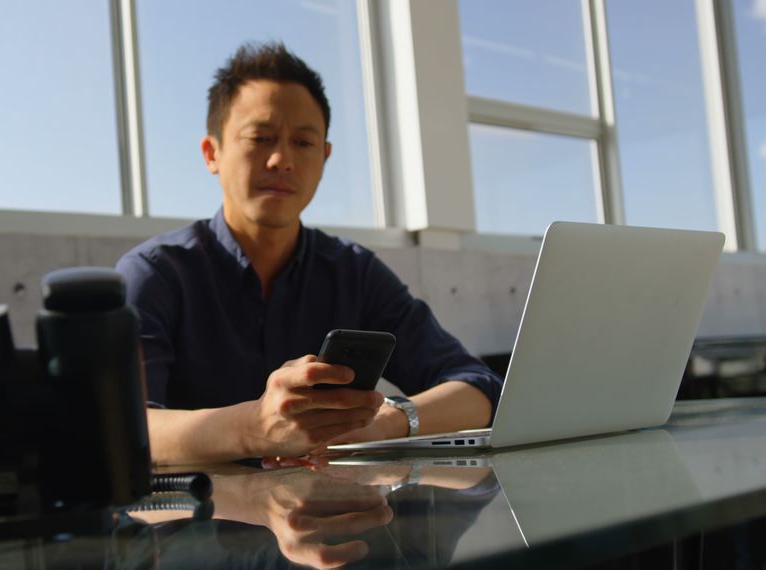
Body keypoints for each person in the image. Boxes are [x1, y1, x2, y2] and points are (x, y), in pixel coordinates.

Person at [115, 41, 502, 465]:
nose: (282, 159)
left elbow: (480, 387)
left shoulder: (354, 272)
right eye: (260, 138)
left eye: (303, 142)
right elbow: (128, 429)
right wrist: (255, 428)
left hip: (331, 521)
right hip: (196, 525)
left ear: (324, 156)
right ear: (213, 153)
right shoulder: (154, 274)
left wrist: (384, 422)